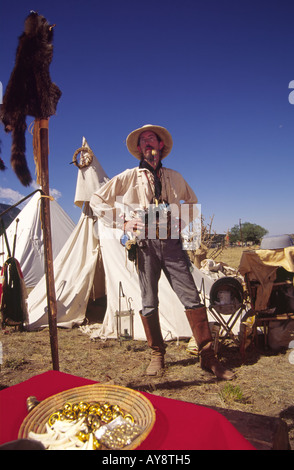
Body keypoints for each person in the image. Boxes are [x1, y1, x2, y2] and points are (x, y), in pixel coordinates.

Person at [90, 124, 234, 380]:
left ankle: (208, 357)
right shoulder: (128, 176)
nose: (148, 144)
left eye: (152, 140)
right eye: (144, 140)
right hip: (144, 246)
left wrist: (179, 220)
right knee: (148, 301)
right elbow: (97, 200)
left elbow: (192, 202)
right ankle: (158, 354)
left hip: (172, 245)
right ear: (139, 149)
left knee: (191, 297)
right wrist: (122, 221)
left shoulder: (175, 177)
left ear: (161, 147)